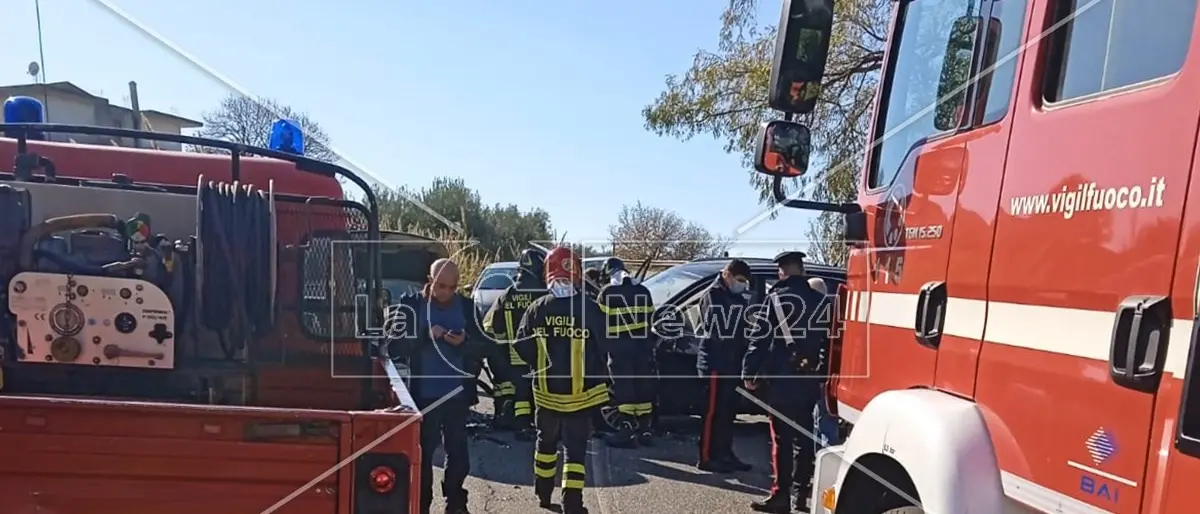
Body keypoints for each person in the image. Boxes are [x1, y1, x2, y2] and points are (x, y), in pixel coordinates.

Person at [513, 246, 610, 514]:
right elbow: (605, 346)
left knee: (545, 445)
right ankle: (572, 503)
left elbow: (521, 344)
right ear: (576, 271)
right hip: (581, 398)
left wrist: (539, 365)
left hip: (546, 396)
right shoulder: (590, 309)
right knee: (575, 452)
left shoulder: (537, 308)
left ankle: (543, 493)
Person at [388, 258, 487, 514]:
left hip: (456, 396)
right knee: (422, 457)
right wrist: (426, 335)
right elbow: (394, 346)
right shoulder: (411, 305)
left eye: (452, 287)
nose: (446, 293)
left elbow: (484, 347)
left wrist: (465, 342)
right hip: (423, 397)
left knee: (458, 455)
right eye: (441, 286)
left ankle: (456, 504)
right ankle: (421, 505)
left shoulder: (466, 307)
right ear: (429, 281)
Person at [743, 251, 830, 514]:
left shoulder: (775, 299)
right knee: (804, 437)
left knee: (781, 439)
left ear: (781, 272)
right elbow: (829, 342)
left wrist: (749, 372)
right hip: (809, 379)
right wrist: (823, 373)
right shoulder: (820, 301)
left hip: (781, 380)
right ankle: (801, 494)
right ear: (802, 270)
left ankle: (781, 496)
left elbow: (759, 340)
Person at [694, 258, 754, 473]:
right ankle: (707, 457)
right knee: (712, 413)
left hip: (732, 362)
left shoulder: (737, 296)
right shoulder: (714, 295)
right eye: (739, 280)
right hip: (715, 361)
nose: (741, 285)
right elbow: (718, 328)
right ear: (727, 275)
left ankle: (725, 453)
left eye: (744, 281)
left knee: (727, 413)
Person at [481, 247, 546, 439]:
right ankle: (540, 425)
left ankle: (521, 424)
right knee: (540, 392)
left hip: (513, 357)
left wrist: (501, 350)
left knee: (521, 393)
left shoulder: (506, 295)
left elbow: (489, 327)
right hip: (541, 357)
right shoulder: (544, 295)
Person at [596, 257, 656, 448]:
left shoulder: (607, 293)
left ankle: (626, 430)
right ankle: (645, 430)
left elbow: (598, 323)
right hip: (643, 348)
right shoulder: (643, 290)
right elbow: (651, 318)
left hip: (619, 350)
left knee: (624, 388)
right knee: (643, 386)